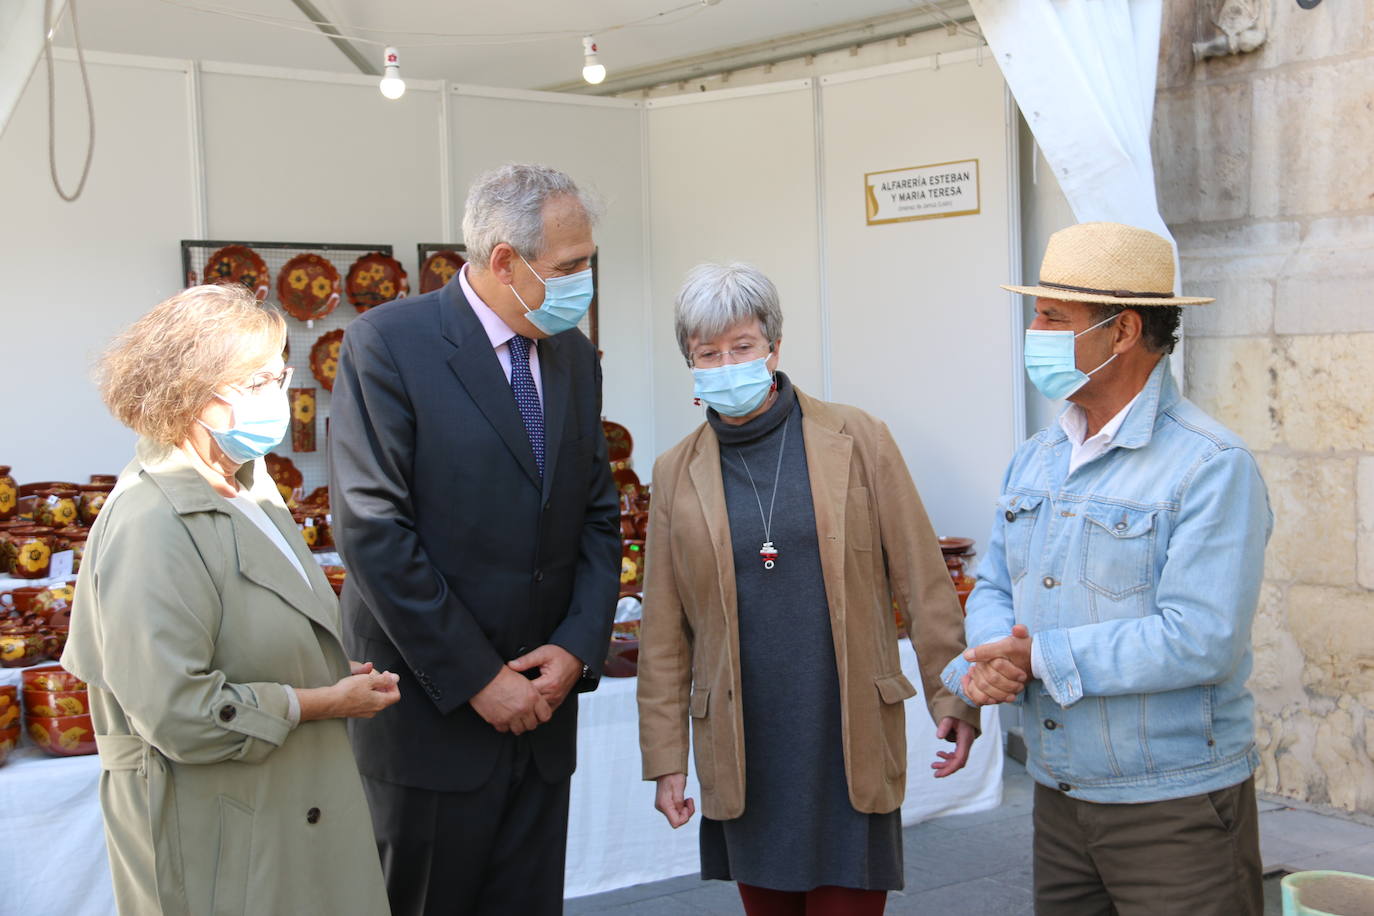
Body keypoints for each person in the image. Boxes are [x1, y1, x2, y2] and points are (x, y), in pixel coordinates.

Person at [940, 222, 1272, 916]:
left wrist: (1036, 659)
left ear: (1121, 332)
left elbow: (1200, 637)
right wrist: (990, 664)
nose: (1034, 330)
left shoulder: (1210, 465)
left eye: (1053, 316)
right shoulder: (1037, 457)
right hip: (1061, 794)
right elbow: (997, 585)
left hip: (1171, 803)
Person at [637, 263, 980, 916]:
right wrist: (664, 757)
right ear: (690, 363)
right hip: (745, 741)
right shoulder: (675, 473)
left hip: (844, 725)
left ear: (774, 348)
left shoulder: (856, 438)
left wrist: (954, 697)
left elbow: (923, 579)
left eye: (741, 347)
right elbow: (663, 632)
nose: (726, 363)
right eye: (708, 353)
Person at [329, 163, 621, 916]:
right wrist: (477, 678)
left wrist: (578, 644)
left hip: (546, 714)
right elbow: (373, 530)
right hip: (433, 723)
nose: (583, 283)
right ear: (502, 261)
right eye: (570, 267)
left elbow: (595, 513)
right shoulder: (387, 345)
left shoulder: (573, 358)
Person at [62, 284, 399, 915]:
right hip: (224, 836)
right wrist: (323, 700)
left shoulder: (247, 486)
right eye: (258, 383)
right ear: (188, 392)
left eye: (280, 375)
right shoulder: (152, 520)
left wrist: (319, 672)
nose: (282, 396)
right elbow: (180, 713)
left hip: (284, 810)